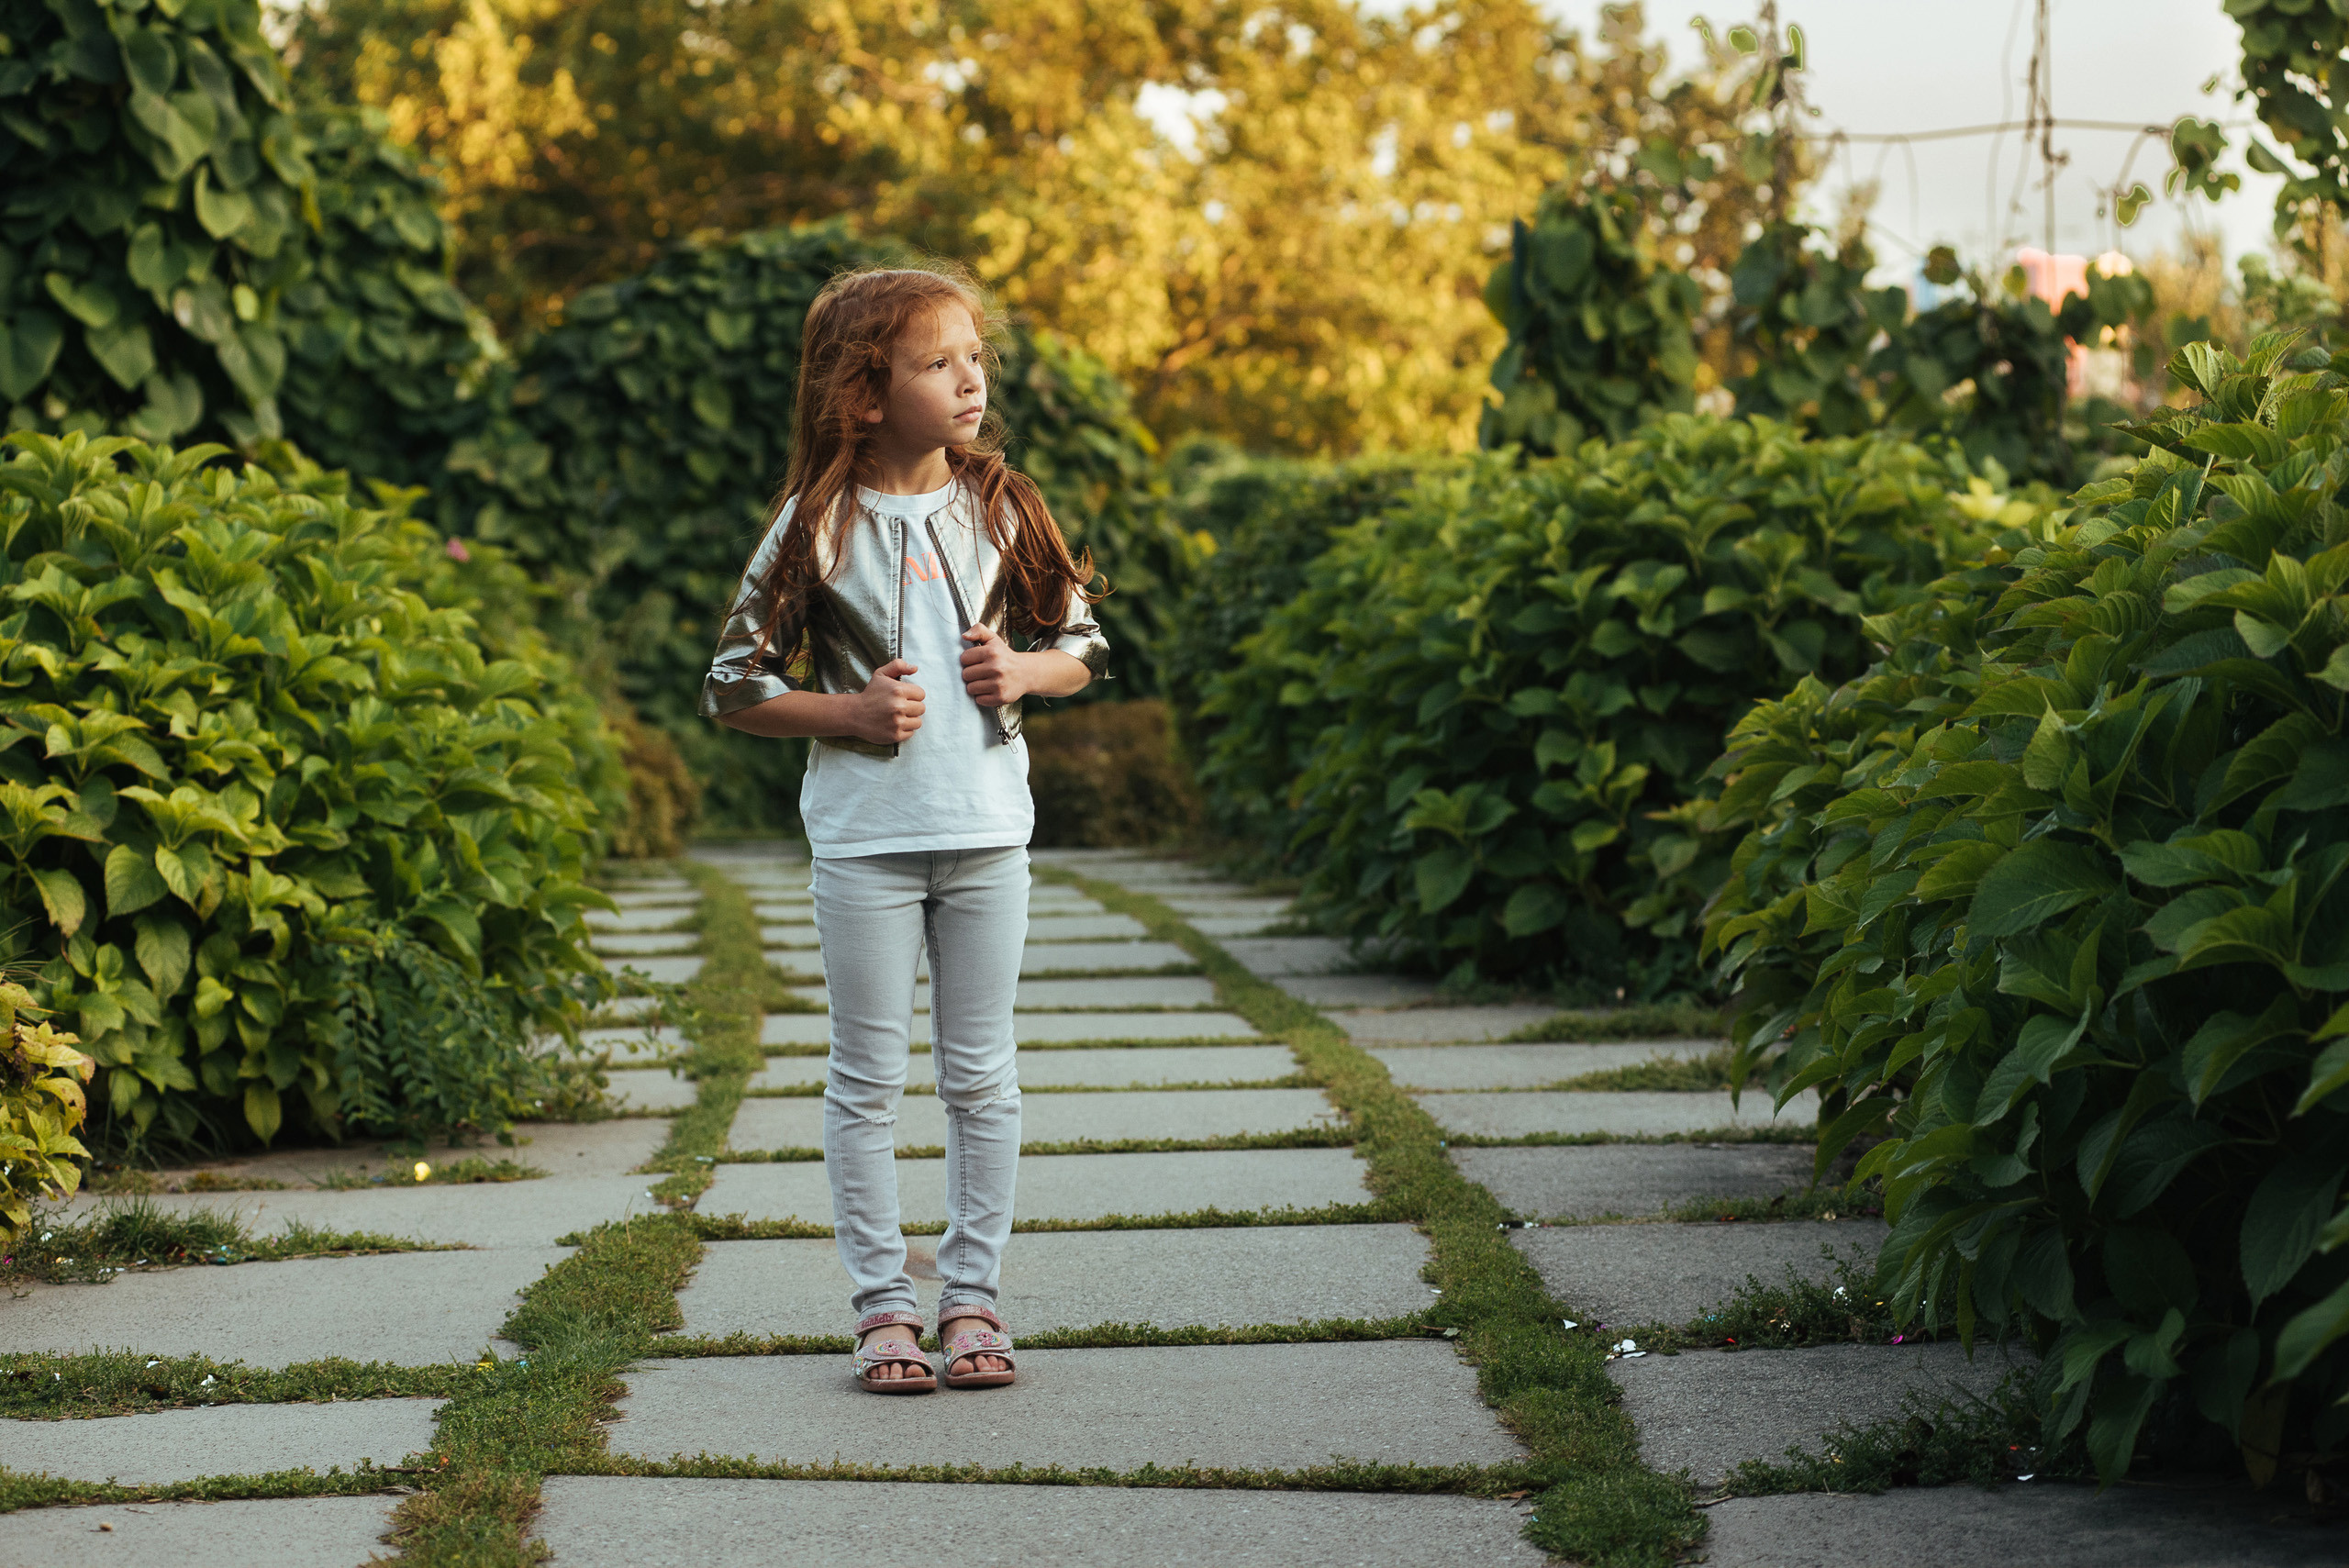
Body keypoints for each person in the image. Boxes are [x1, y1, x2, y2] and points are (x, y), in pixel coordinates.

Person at [700, 263, 1106, 1394]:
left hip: (986, 832)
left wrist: (1025, 668)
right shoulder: (812, 524)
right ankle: (884, 1306)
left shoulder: (1006, 505)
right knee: (865, 1077)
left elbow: (1084, 646)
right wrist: (852, 712)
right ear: (866, 394)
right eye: (940, 362)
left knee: (982, 1076)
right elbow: (734, 682)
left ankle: (972, 1297)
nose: (972, 379)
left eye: (976, 355)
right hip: (865, 842)